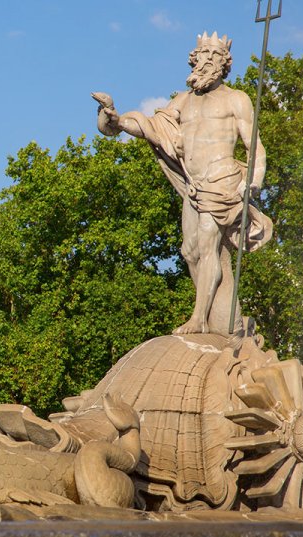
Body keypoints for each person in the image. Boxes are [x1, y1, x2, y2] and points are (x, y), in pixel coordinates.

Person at [94, 32, 272, 335]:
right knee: (189, 252)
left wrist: (251, 184)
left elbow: (254, 146)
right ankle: (222, 317)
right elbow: (151, 126)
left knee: (207, 248)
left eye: (211, 59)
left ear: (223, 65)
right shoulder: (183, 101)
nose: (203, 64)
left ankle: (199, 319)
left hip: (222, 182)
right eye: (200, 58)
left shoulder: (236, 99)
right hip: (194, 187)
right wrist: (114, 118)